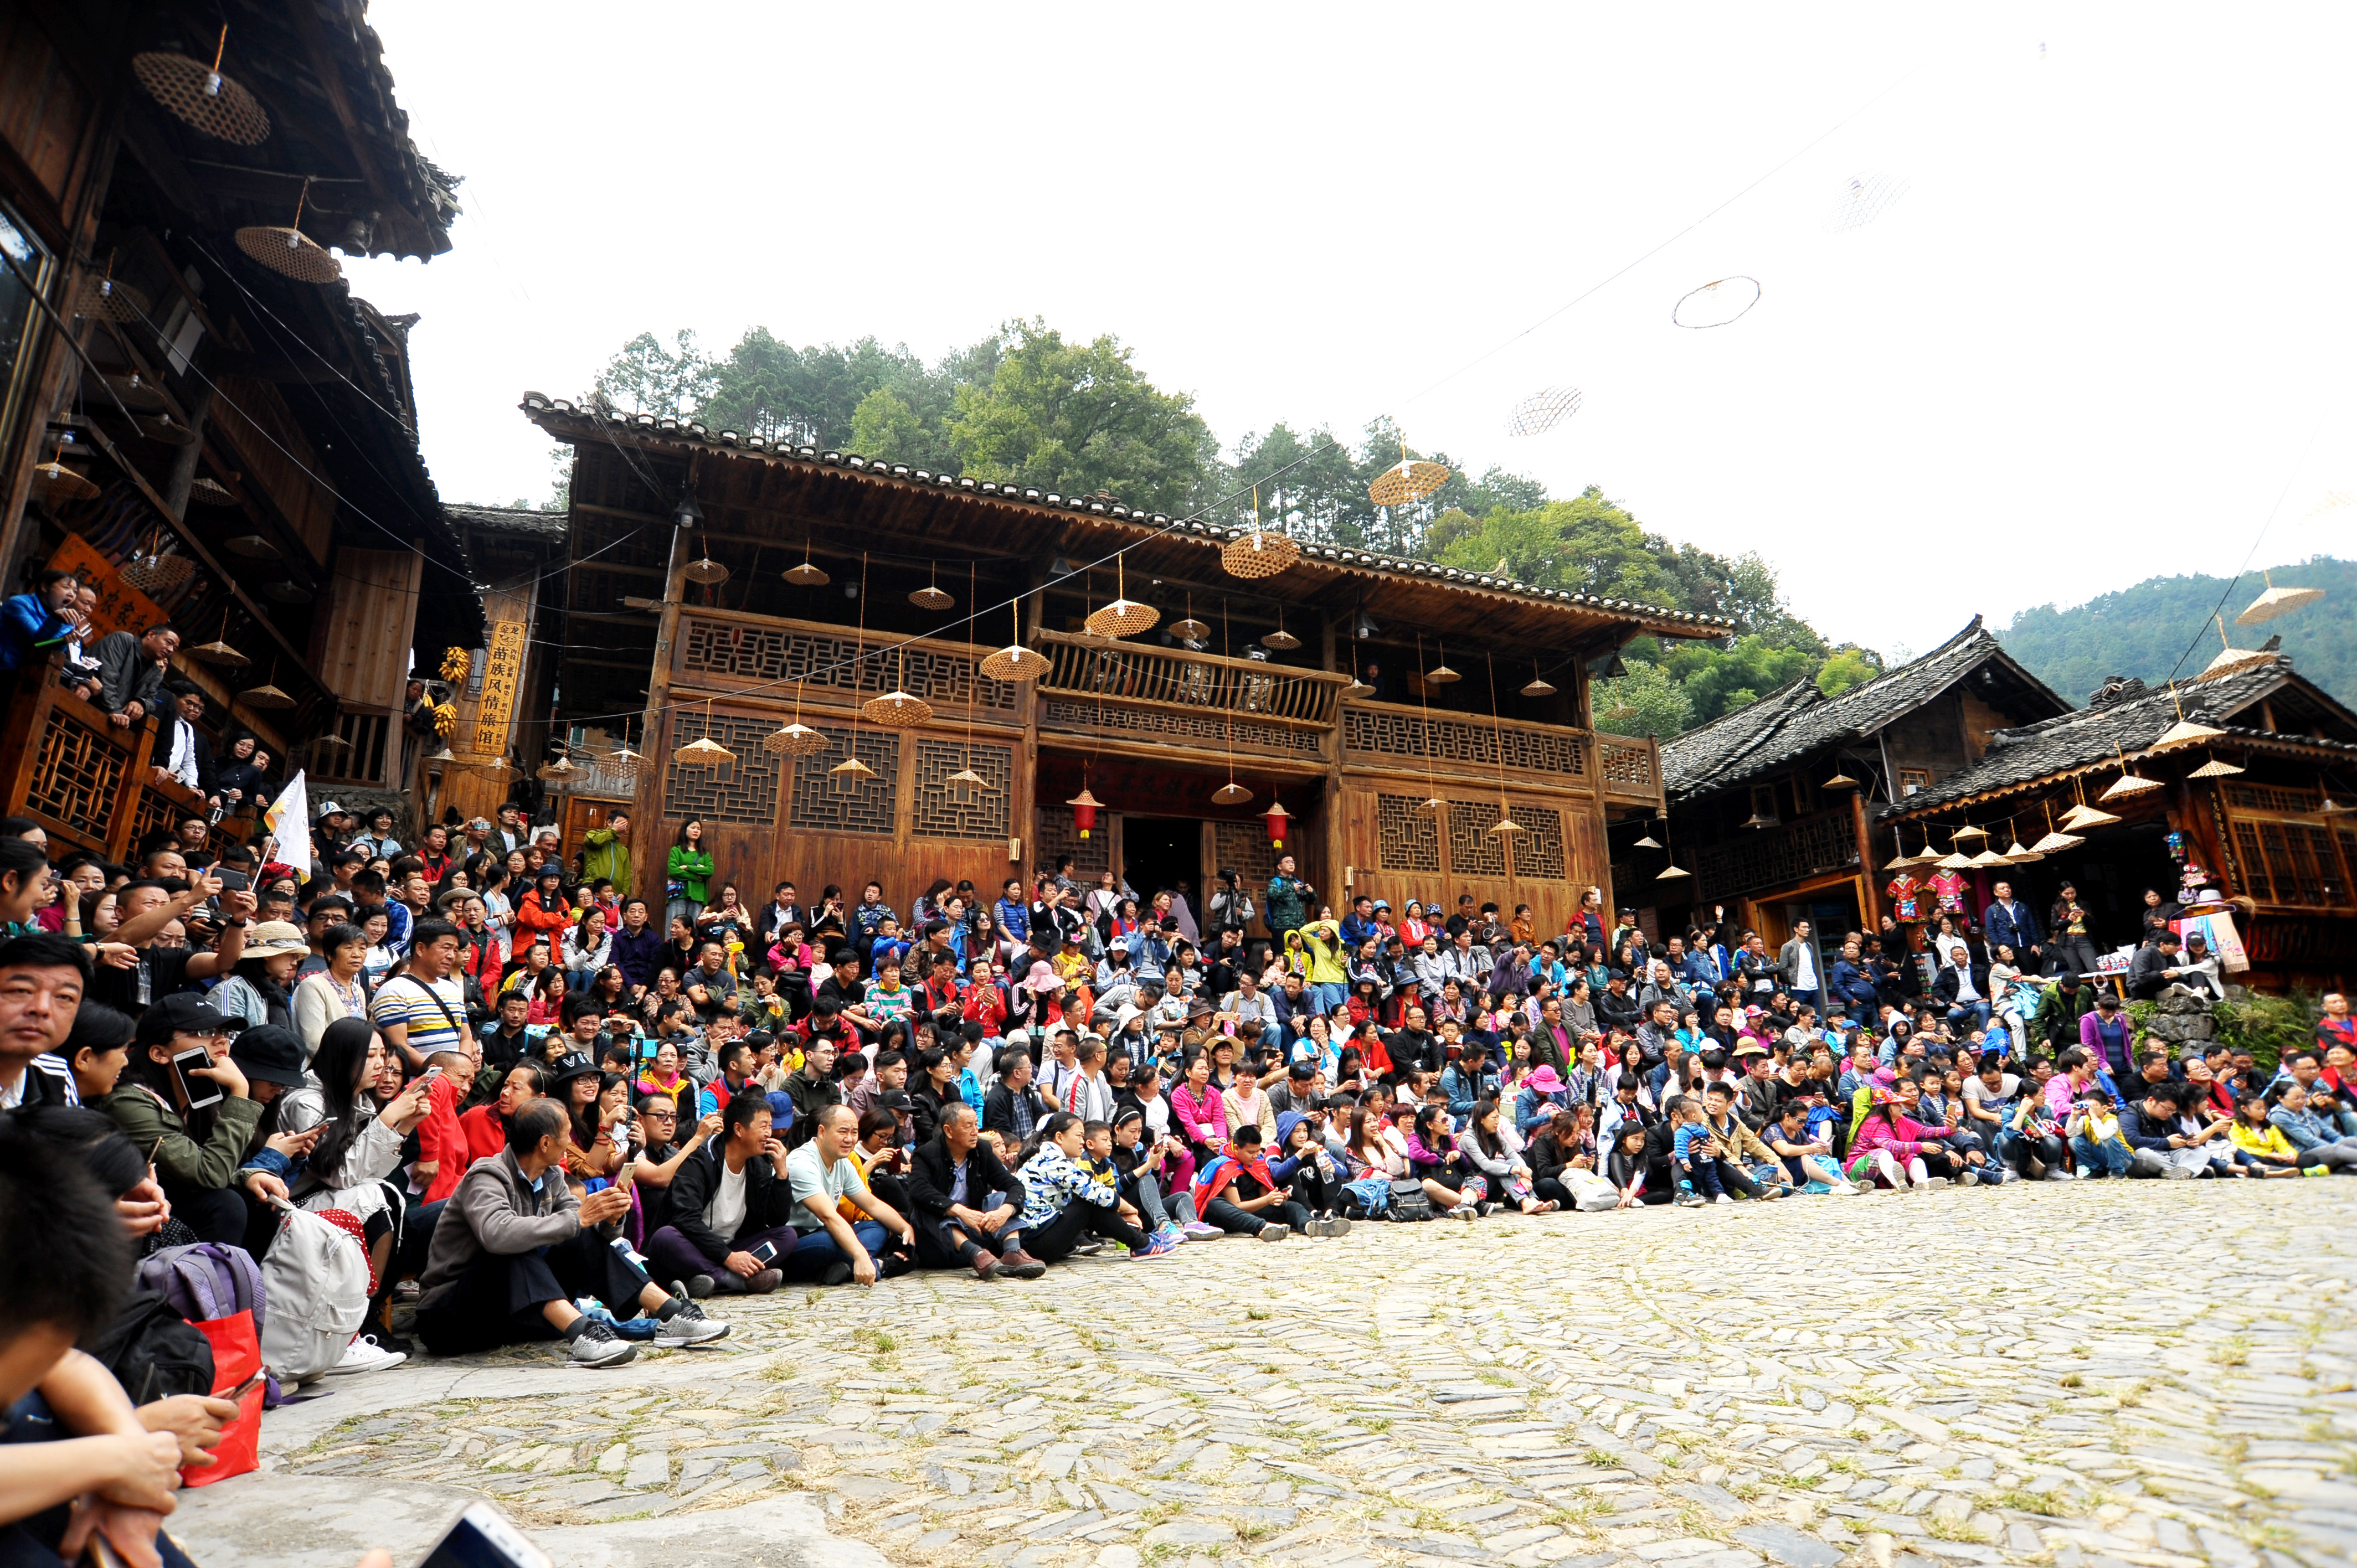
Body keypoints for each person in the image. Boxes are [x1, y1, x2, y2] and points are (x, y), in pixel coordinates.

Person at [414, 1098, 728, 1364]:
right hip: (449, 1318)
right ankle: (583, 1334)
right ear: (545, 1143)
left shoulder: (551, 1176)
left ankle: (672, 1314)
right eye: (566, 1135)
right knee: (513, 1248)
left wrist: (609, 1218)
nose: (570, 1143)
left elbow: (583, 1231)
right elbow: (497, 1234)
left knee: (579, 1235)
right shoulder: (487, 1175)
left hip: (510, 1311)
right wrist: (580, 1218)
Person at [644, 1091, 794, 1296]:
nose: (769, 1133)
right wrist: (729, 1258)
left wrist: (782, 1175)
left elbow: (777, 1220)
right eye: (763, 1126)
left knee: (787, 1235)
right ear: (739, 1129)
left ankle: (709, 1277)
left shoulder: (759, 1166)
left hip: (731, 1246)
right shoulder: (700, 1160)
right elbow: (686, 1220)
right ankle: (733, 1279)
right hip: (693, 1245)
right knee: (665, 1237)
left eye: (770, 1126)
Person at [781, 1103, 914, 1285]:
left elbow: (872, 1204)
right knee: (830, 1240)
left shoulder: (841, 1162)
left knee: (877, 1226)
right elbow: (828, 1217)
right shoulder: (802, 1163)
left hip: (825, 1231)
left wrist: (906, 1228)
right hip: (794, 1241)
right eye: (843, 1132)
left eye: (854, 1132)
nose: (849, 1139)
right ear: (822, 1132)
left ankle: (840, 1268)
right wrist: (860, 1255)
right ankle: (880, 1266)